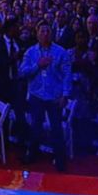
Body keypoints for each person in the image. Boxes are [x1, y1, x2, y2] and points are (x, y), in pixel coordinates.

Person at [20, 21, 72, 172]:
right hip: (36, 94)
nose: (45, 34)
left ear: (52, 33)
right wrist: (38, 65)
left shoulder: (61, 52)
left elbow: (67, 75)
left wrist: (65, 95)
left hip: (54, 96)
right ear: (37, 33)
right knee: (35, 126)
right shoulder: (30, 52)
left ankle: (60, 160)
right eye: (42, 31)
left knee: (56, 129)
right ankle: (32, 154)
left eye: (48, 31)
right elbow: (22, 72)